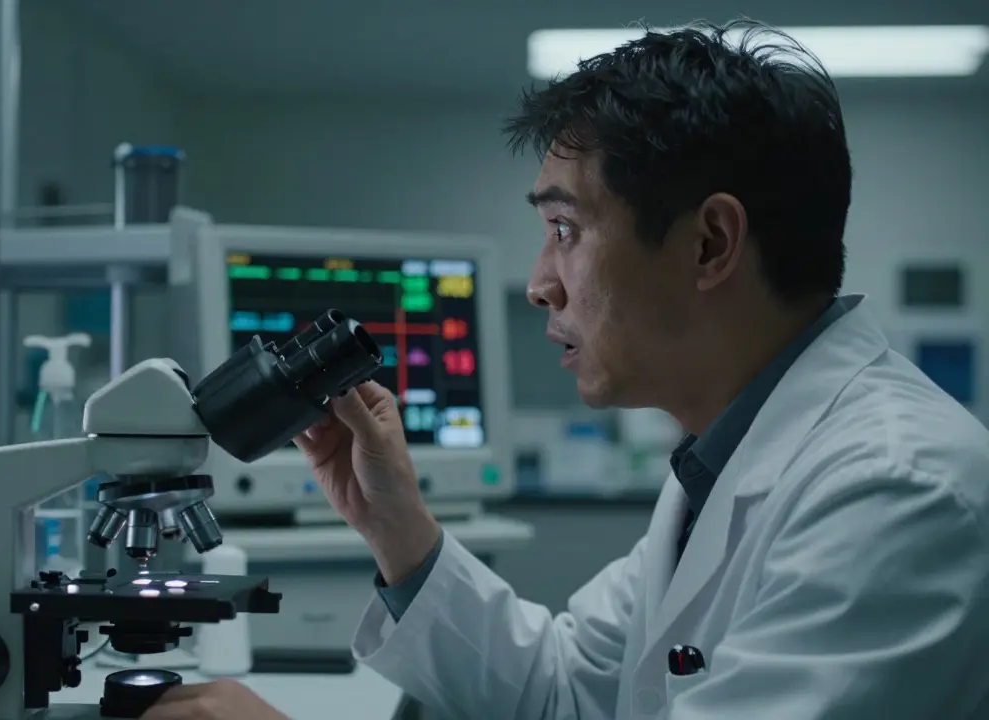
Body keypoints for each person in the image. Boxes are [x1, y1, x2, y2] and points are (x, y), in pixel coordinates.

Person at [144, 20, 989, 720]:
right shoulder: (727, 457)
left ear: (709, 244)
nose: (540, 284)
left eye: (565, 231)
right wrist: (393, 524)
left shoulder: (898, 489)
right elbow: (562, 687)